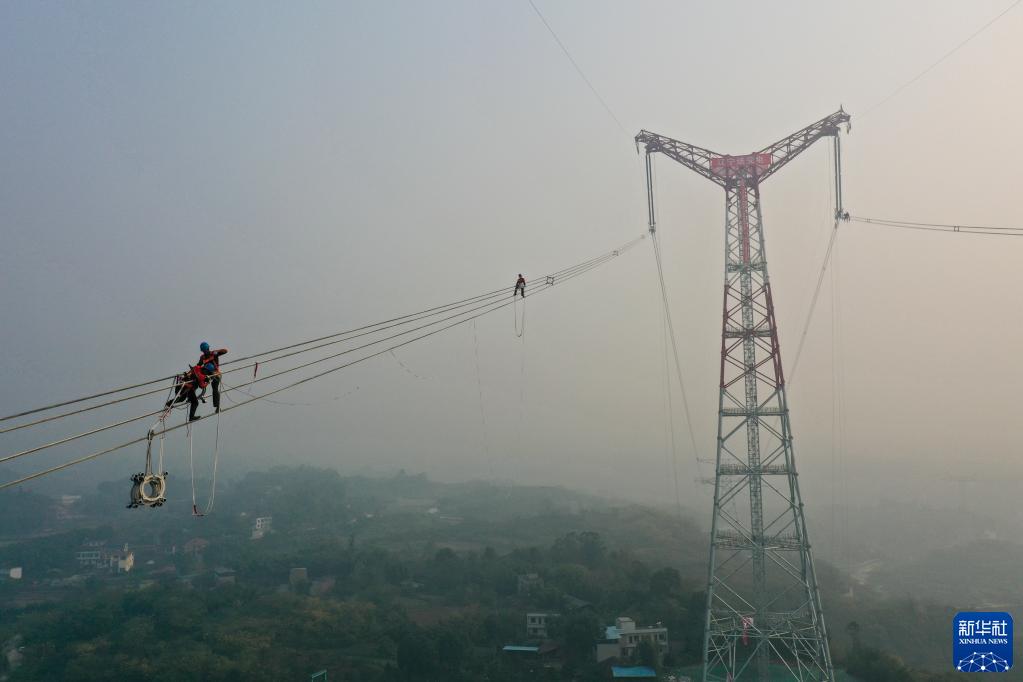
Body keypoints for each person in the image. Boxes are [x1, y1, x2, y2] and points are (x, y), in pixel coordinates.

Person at [197, 342, 228, 413]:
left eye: (205, 350)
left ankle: (217, 407)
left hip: (215, 374)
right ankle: (201, 391)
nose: (205, 351)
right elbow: (198, 366)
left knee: (215, 389)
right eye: (204, 350)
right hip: (207, 373)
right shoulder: (202, 357)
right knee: (201, 374)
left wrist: (216, 352)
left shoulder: (213, 353)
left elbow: (225, 351)